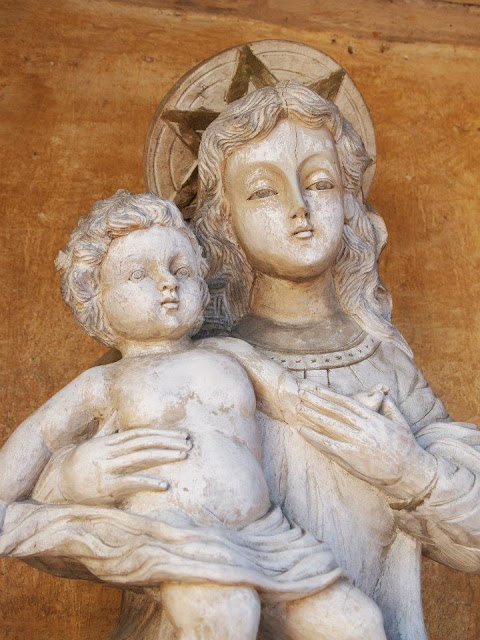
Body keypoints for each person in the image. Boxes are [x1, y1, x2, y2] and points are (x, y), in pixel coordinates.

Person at [23, 82, 480, 640]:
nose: (299, 207)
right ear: (223, 219)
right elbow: (44, 516)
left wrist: (412, 473)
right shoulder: (168, 356)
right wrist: (74, 477)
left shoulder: (384, 365)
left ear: (350, 201)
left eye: (321, 182)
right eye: (263, 191)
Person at [0, 190, 387, 640]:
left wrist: (357, 411)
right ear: (96, 299)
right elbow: (41, 437)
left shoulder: (229, 352)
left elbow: (294, 400)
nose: (168, 283)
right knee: (226, 616)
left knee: (359, 623)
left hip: (265, 536)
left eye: (180, 270)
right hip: (175, 536)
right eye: (139, 274)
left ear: (202, 286)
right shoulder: (106, 382)